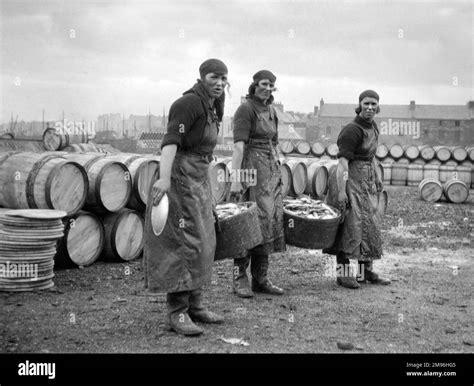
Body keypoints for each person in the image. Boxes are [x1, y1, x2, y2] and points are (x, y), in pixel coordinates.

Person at [144, 59, 228, 336]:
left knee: (204, 239)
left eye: (223, 78)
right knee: (183, 242)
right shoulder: (188, 104)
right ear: (202, 76)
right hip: (180, 177)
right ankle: (177, 312)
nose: (219, 82)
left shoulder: (213, 104)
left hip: (199, 177)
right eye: (214, 77)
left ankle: (196, 304)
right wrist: (164, 179)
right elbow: (170, 142)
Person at [324, 89, 391, 288]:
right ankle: (343, 274)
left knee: (369, 225)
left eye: (373, 104)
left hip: (367, 183)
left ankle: (365, 272)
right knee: (350, 226)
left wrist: (377, 175)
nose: (369, 107)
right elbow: (343, 163)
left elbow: (371, 156)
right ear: (359, 105)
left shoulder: (373, 127)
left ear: (378, 107)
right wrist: (342, 190)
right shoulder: (351, 130)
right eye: (366, 104)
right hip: (350, 182)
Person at [229, 70, 286, 298]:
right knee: (247, 222)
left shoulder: (272, 111)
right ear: (254, 85)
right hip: (250, 168)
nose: (268, 88)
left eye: (272, 84)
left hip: (269, 170)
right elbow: (238, 147)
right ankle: (239, 278)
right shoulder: (245, 109)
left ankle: (260, 279)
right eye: (264, 84)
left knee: (268, 221)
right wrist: (235, 179)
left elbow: (274, 142)